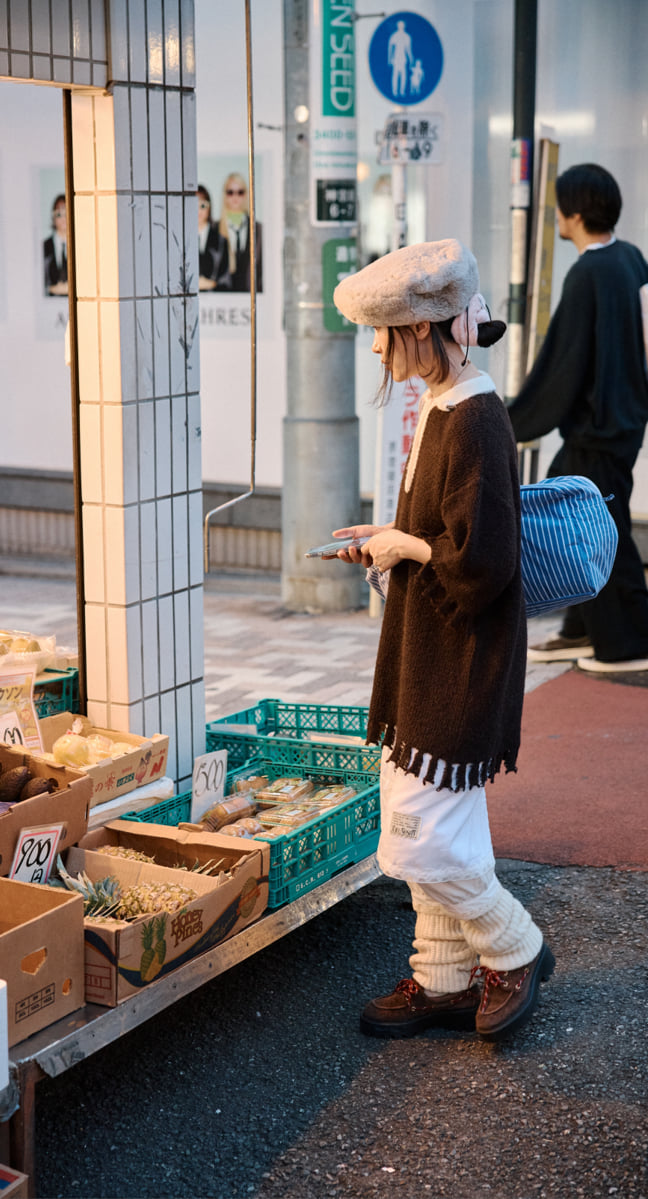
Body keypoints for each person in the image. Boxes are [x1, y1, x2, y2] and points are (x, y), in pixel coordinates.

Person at [331, 239, 553, 1042]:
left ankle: (515, 945)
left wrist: (406, 547)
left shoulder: (475, 416)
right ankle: (442, 977)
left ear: (426, 329)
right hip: (433, 651)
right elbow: (445, 533)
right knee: (438, 821)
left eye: (388, 336)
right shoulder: (447, 400)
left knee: (420, 839)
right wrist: (390, 534)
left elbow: (485, 562)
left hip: (460, 657)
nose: (383, 352)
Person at [507, 163, 648, 672]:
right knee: (575, 512)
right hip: (624, 423)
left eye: (560, 205)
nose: (556, 215)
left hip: (599, 428)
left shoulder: (589, 272)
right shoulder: (632, 259)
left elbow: (564, 363)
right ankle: (582, 628)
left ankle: (629, 643)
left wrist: (507, 420)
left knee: (591, 527)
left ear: (576, 212)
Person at [218, 172, 262, 292]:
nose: (235, 197)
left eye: (240, 192)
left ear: (246, 195)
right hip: (220, 299)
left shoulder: (258, 230)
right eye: (230, 192)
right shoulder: (214, 229)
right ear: (225, 195)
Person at [197, 184, 230, 292]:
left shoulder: (221, 241)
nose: (198, 211)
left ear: (209, 207)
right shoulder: (179, 241)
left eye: (202, 205)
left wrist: (211, 284)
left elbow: (226, 280)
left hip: (214, 304)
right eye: (193, 205)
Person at [44, 193, 69, 296]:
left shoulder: (80, 247)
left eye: (66, 213)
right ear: (53, 218)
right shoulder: (44, 247)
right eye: (59, 214)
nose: (63, 219)